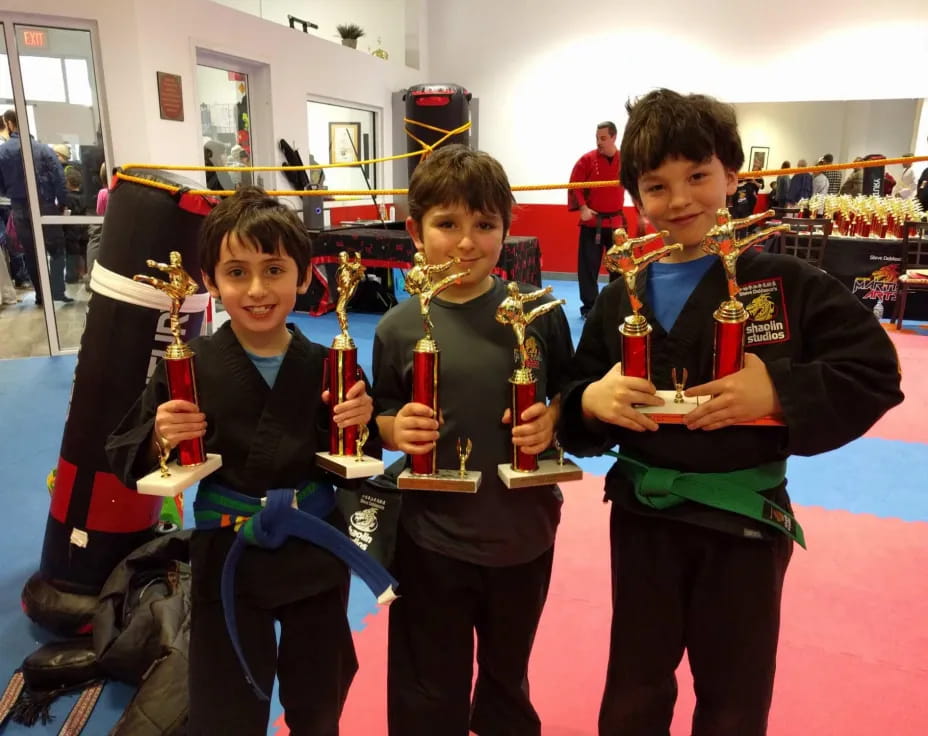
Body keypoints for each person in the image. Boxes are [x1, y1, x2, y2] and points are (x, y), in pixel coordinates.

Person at [557, 88, 904, 736]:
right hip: (644, 522)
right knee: (633, 689)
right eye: (657, 186)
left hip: (743, 527)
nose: (680, 198)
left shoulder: (783, 283)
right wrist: (591, 402)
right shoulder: (620, 293)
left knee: (735, 698)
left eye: (697, 176)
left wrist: (777, 391)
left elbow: (874, 371)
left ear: (732, 176)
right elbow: (572, 406)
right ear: (635, 196)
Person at [106, 187, 381, 735]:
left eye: (275, 269)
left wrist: (361, 425)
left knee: (318, 700)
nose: (257, 290)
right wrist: (163, 435)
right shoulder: (193, 365)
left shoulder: (331, 364)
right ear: (210, 282)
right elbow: (123, 456)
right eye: (236, 272)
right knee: (226, 706)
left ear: (304, 278)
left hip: (312, 548)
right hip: (229, 553)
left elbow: (365, 458)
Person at [372, 144, 574, 736]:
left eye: (484, 225)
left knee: (507, 681)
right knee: (428, 687)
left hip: (524, 534)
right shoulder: (398, 327)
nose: (466, 243)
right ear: (415, 231)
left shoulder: (537, 314)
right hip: (430, 540)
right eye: (447, 224)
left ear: (507, 229)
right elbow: (376, 414)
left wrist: (554, 417)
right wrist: (394, 428)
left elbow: (572, 392)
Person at [0, 109, 71, 304]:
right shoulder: (43, 149)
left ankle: (41, 295)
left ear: (9, 124)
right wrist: (62, 203)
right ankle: (57, 291)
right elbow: (59, 177)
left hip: (19, 207)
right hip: (45, 204)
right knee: (56, 249)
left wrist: (11, 194)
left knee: (31, 253)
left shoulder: (3, 151)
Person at [569, 121, 625, 318]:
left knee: (619, 269)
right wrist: (583, 207)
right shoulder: (587, 160)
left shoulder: (625, 160)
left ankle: (614, 306)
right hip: (592, 223)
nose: (599, 142)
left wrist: (642, 212)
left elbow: (636, 184)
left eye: (603, 138)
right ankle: (589, 309)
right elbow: (575, 184)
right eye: (597, 138)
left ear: (613, 137)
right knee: (588, 269)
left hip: (616, 224)